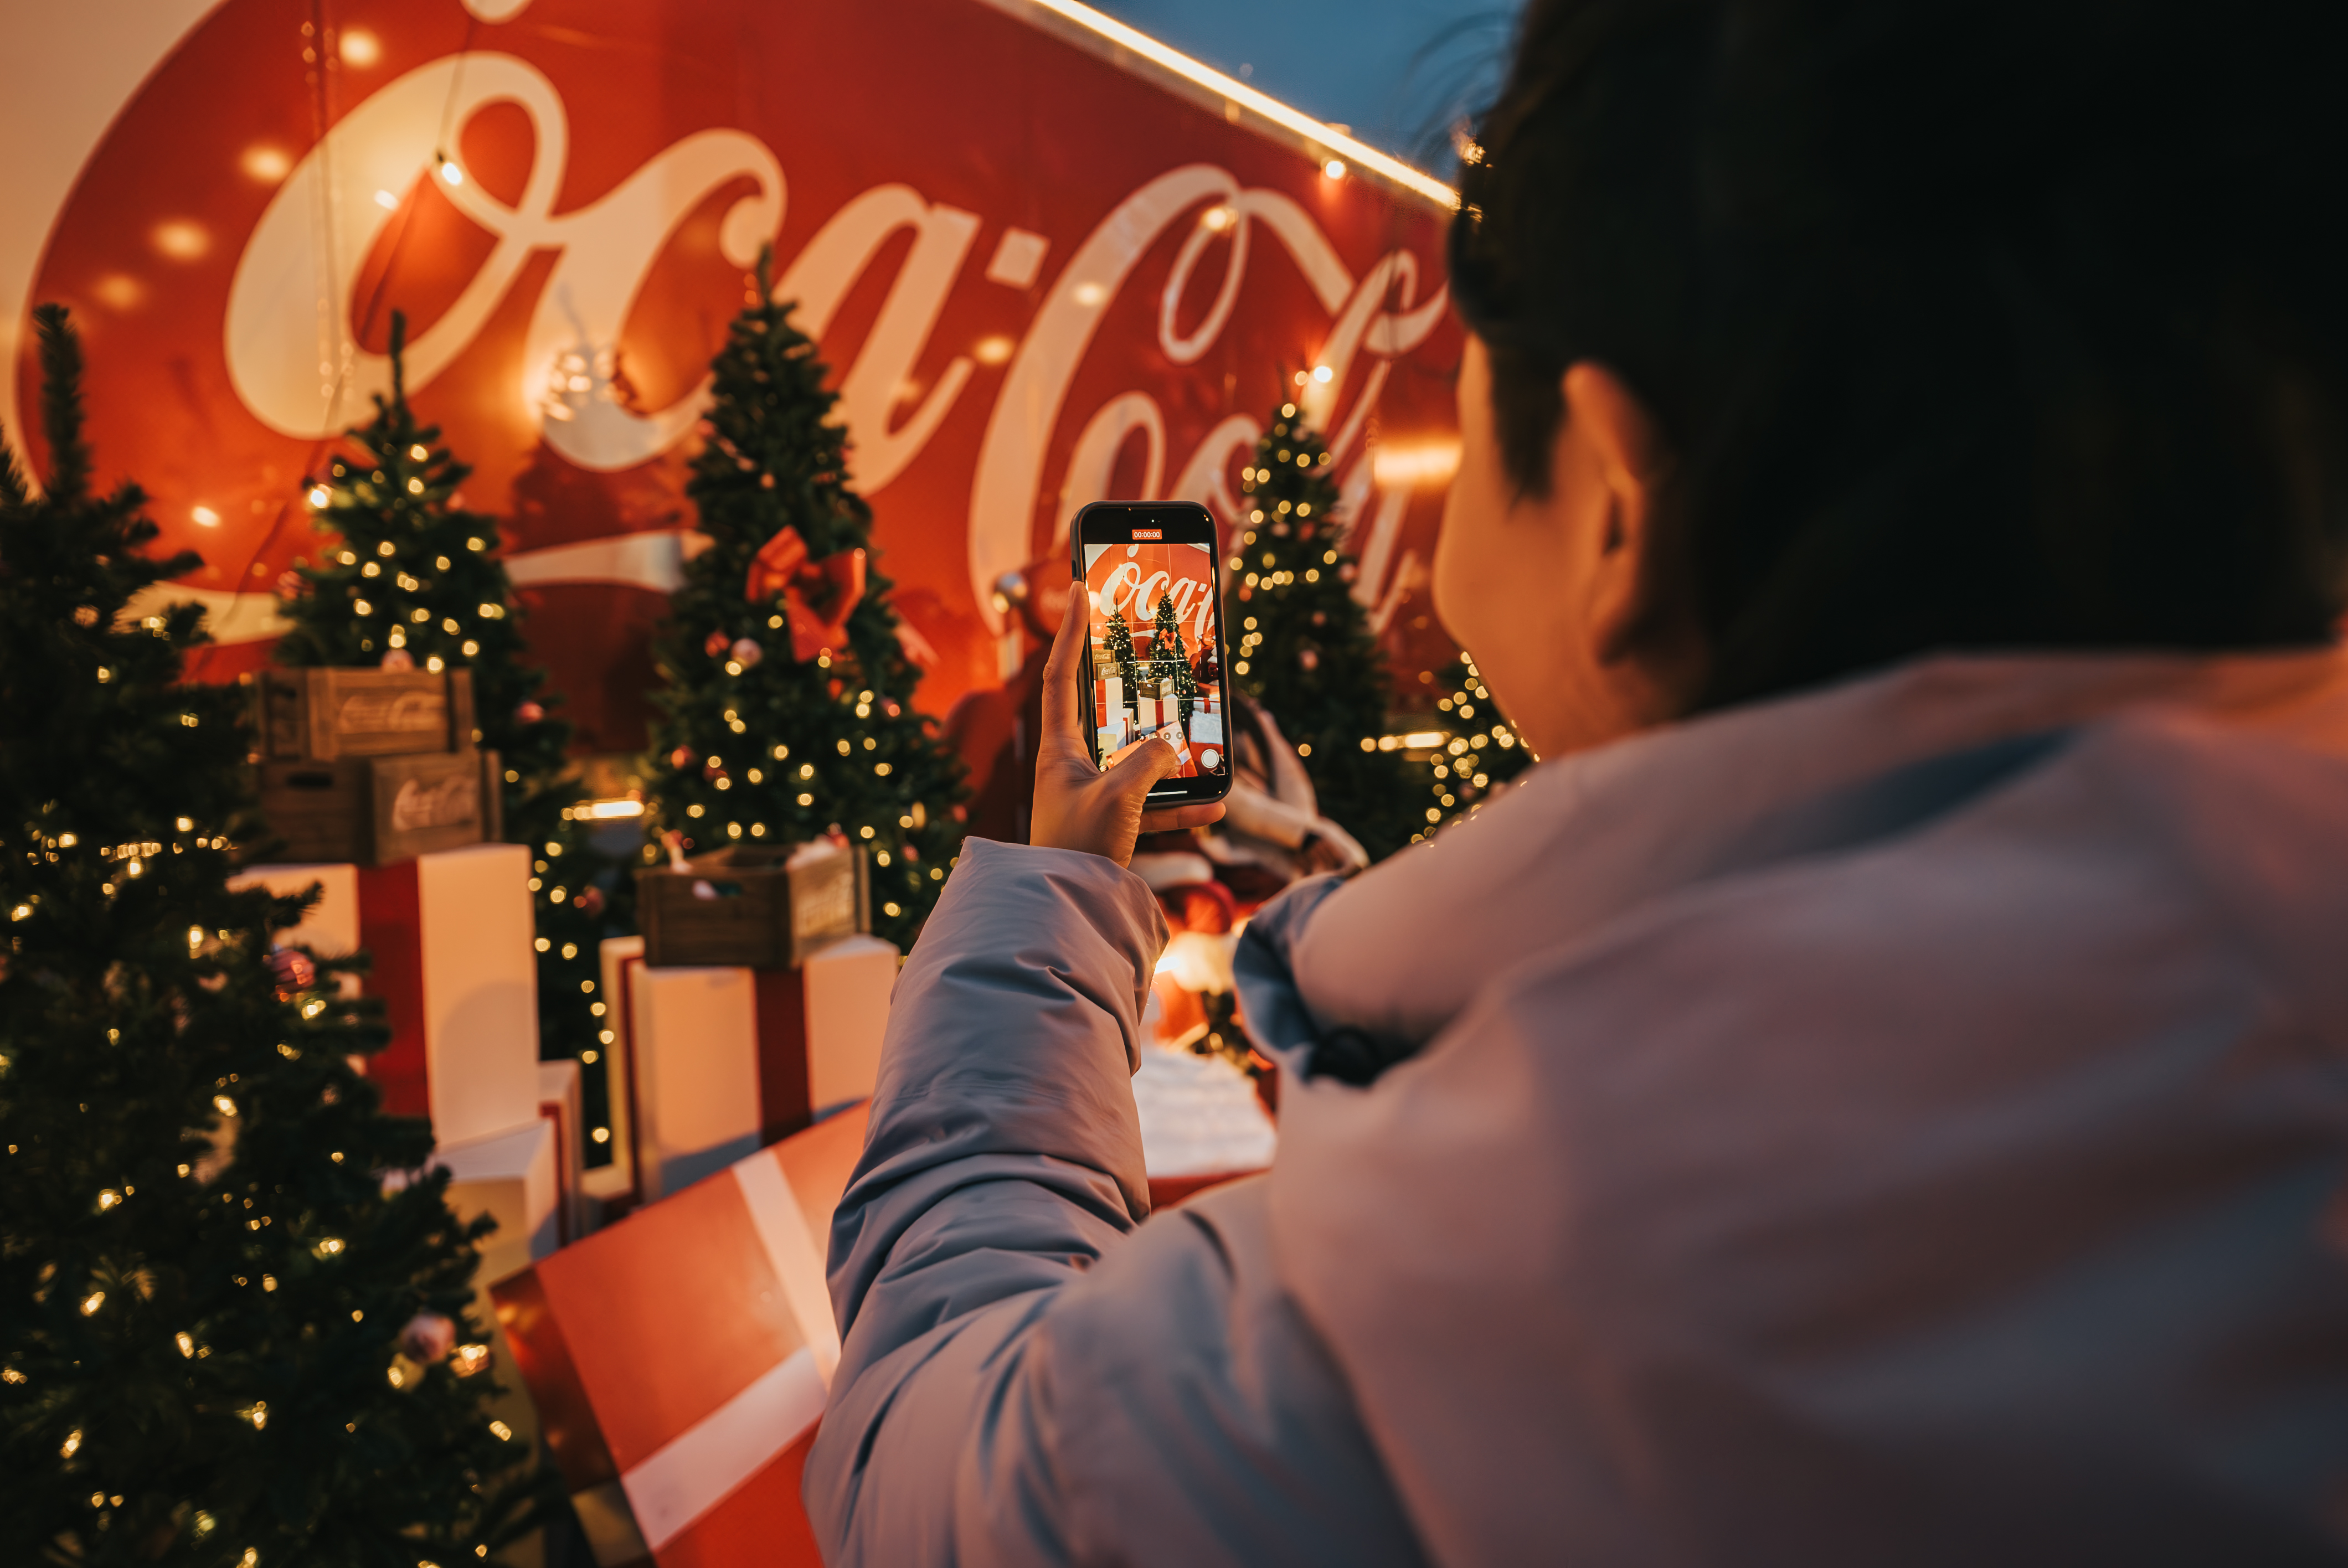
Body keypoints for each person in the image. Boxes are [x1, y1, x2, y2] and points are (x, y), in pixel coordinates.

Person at [805, 0, 2348, 1560]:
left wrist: (1052, 885)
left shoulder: (1491, 1284)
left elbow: (940, 1465)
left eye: (1468, 403)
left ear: (1614, 503)